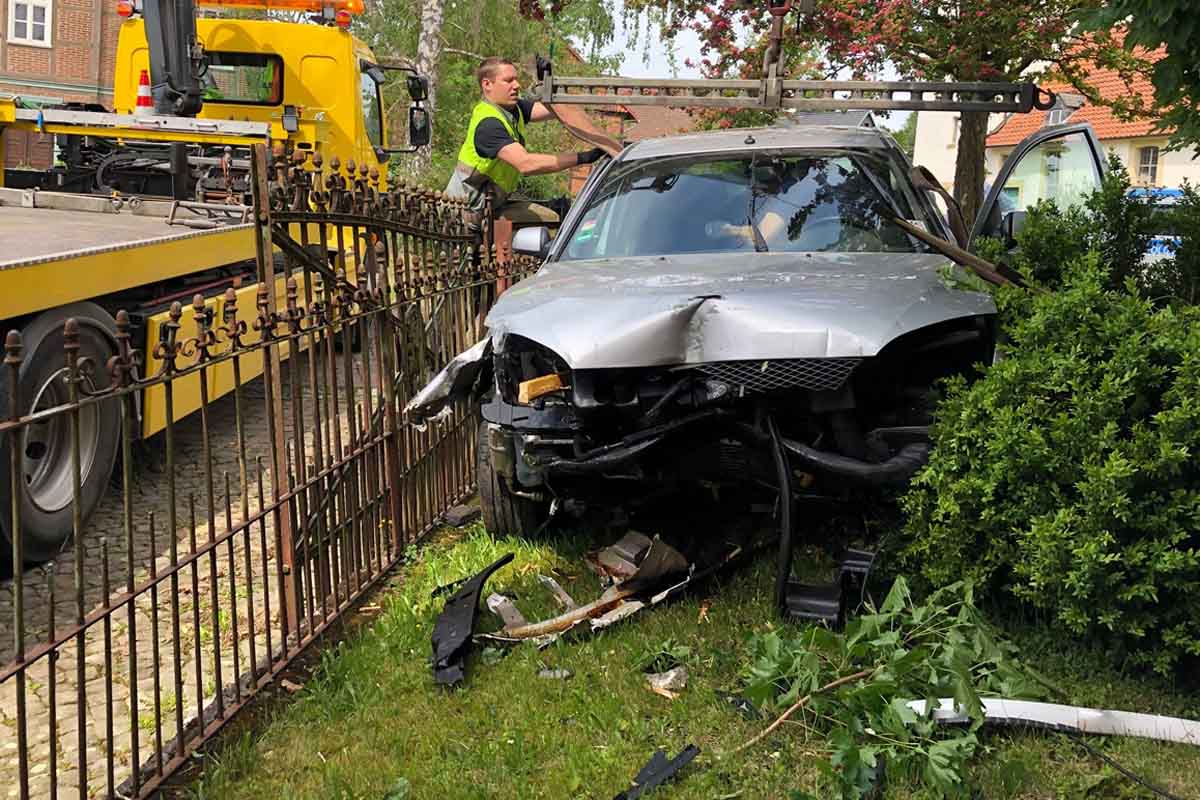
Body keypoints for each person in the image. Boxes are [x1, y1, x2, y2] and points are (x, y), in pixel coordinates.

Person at [445, 56, 608, 228]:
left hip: (491, 206)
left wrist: (549, 87)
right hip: (462, 218)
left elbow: (556, 110)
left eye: (516, 79)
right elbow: (526, 164)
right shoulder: (488, 124)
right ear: (487, 85)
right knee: (545, 223)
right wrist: (584, 157)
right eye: (508, 80)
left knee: (551, 216)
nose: (517, 85)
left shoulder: (513, 110)